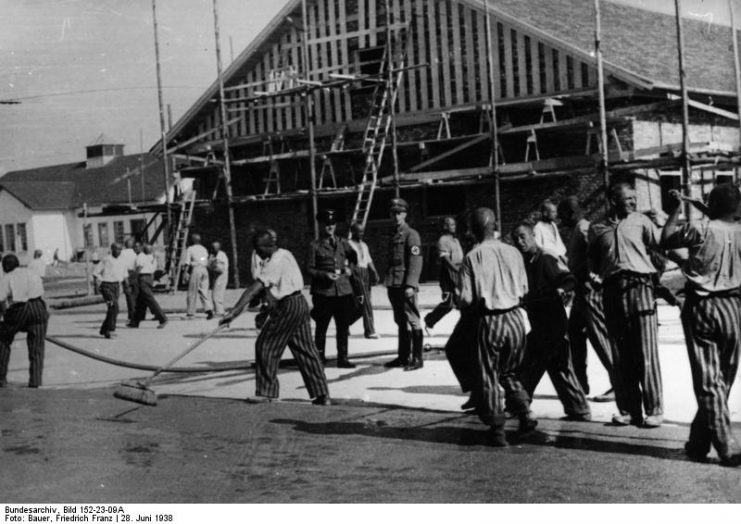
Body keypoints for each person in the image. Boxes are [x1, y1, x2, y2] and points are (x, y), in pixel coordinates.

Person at [661, 184, 741, 467]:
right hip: (733, 307)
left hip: (702, 306)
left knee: (709, 381)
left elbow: (667, 239)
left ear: (712, 205)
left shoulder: (700, 229)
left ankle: (725, 445)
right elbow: (728, 218)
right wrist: (711, 208)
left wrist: (675, 211)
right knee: (724, 378)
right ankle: (698, 442)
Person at [220, 230, 330, 405]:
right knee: (305, 350)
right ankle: (322, 394)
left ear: (268, 246)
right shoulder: (285, 254)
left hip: (287, 306)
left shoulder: (275, 261)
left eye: (258, 249)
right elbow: (264, 290)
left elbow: (254, 288)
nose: (257, 253)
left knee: (265, 345)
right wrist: (244, 308)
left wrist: (233, 312)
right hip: (299, 303)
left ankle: (266, 392)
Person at [588, 182, 663, 428]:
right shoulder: (597, 229)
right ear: (613, 200)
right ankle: (628, 410)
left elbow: (662, 246)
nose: (633, 202)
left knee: (646, 352)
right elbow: (593, 262)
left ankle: (654, 409)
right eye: (628, 198)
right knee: (620, 356)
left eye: (634, 197)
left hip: (640, 288)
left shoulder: (641, 221)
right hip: (611, 292)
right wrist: (593, 275)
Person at [457, 208, 535, 446]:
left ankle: (497, 429)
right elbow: (524, 289)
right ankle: (524, 412)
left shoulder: (472, 256)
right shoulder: (514, 252)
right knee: (509, 371)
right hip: (515, 319)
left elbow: (466, 299)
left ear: (474, 229)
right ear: (494, 226)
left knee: (488, 375)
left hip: (490, 320)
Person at [511, 222, 591, 421]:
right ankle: (578, 408)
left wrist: (561, 290)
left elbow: (569, 279)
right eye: (516, 239)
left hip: (553, 322)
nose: (520, 242)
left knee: (531, 363)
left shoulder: (546, 258)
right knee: (556, 367)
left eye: (523, 237)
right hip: (538, 321)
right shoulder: (525, 261)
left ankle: (519, 405)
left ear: (532, 236)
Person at [558, 196, 616, 402]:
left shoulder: (584, 229)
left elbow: (600, 255)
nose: (559, 219)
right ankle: (580, 383)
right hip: (580, 292)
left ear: (571, 213)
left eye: (561, 214)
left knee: (600, 337)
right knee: (574, 334)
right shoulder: (578, 229)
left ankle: (619, 384)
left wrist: (593, 279)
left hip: (589, 291)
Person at [307, 210, 356, 368]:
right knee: (322, 326)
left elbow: (353, 256)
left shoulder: (342, 242)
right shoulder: (314, 245)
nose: (330, 227)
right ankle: (319, 358)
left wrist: (351, 269)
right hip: (324, 292)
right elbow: (309, 268)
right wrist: (324, 275)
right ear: (322, 226)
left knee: (343, 326)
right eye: (327, 224)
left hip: (342, 291)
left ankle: (343, 358)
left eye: (332, 224)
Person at [384, 198, 424, 371]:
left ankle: (417, 358)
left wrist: (411, 284)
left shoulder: (411, 234)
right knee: (400, 321)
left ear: (405, 214)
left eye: (399, 212)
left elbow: (415, 261)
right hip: (394, 283)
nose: (396, 216)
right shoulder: (393, 234)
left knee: (412, 320)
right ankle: (402, 356)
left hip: (405, 284)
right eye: (393, 213)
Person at [0, 254, 49, 388]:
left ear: (6, 266)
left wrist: (6, 316)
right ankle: (35, 382)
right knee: (37, 348)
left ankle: (1, 378)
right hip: (38, 307)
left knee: (3, 339)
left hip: (20, 308)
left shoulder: (7, 277)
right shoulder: (31, 272)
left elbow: (1, 299)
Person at [424, 216, 464, 331]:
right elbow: (446, 260)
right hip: (448, 275)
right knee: (449, 303)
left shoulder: (456, 241)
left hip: (459, 274)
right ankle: (430, 320)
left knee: (462, 302)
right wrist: (456, 270)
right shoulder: (443, 240)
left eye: (454, 224)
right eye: (450, 224)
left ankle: (464, 329)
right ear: (444, 226)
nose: (453, 227)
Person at [348, 222, 380, 339]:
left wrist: (374, 272)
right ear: (353, 232)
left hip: (365, 273)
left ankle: (345, 323)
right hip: (355, 273)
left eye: (362, 231)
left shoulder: (364, 245)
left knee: (361, 304)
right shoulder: (348, 244)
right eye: (359, 231)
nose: (361, 234)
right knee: (365, 302)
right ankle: (370, 330)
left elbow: (368, 259)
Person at [129, 244, 168, 329]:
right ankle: (135, 321)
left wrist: (132, 278)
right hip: (149, 277)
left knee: (149, 299)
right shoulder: (151, 257)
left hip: (142, 278)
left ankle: (163, 318)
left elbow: (139, 268)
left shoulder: (140, 256)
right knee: (140, 300)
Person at [92, 243, 126, 339]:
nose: (118, 251)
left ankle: (104, 329)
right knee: (114, 306)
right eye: (116, 249)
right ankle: (111, 329)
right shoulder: (106, 259)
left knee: (112, 309)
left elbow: (124, 274)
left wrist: (125, 286)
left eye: (120, 249)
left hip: (116, 286)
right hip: (107, 286)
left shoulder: (122, 260)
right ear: (112, 249)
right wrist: (100, 283)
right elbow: (95, 273)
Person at [184, 234, 214, 320]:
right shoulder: (204, 249)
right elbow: (205, 260)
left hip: (196, 269)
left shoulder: (190, 249)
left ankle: (190, 313)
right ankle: (209, 310)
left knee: (192, 291)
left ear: (192, 240)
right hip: (204, 270)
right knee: (203, 291)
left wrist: (185, 272)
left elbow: (187, 262)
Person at [119, 239, 139, 325]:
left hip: (126, 273)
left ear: (125, 245)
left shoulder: (122, 253)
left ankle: (131, 317)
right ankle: (135, 316)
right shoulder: (135, 253)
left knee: (129, 296)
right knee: (134, 295)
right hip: (134, 274)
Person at [209, 241, 229, 317]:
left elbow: (220, 268)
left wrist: (213, 263)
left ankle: (220, 311)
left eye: (215, 247)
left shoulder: (221, 255)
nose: (213, 249)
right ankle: (217, 309)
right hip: (216, 275)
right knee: (214, 293)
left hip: (221, 276)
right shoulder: (213, 255)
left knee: (217, 294)